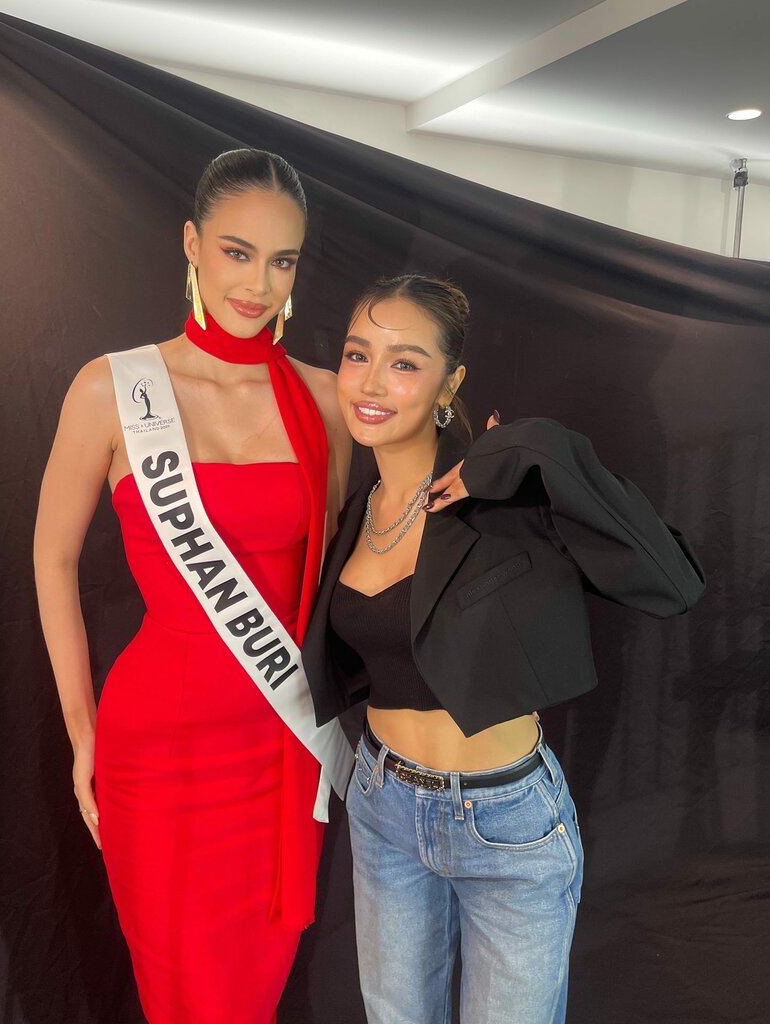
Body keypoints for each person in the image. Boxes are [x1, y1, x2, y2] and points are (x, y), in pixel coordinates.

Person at [301, 274, 705, 1024]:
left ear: (450, 382)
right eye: (359, 355)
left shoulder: (503, 492)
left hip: (506, 824)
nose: (372, 382)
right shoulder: (357, 509)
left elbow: (674, 583)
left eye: (405, 362)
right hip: (384, 805)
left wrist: (533, 447)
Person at [33, 148, 351, 1024]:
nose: (258, 284)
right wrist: (80, 730)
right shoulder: (112, 388)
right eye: (237, 252)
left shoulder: (327, 402)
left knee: (249, 996)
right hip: (157, 754)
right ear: (191, 244)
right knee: (180, 996)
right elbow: (51, 559)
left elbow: (327, 581)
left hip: (278, 749)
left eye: (282, 261)